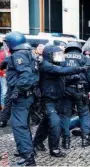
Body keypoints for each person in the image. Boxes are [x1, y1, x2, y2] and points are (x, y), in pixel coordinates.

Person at [33, 45, 88, 158]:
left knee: (46, 122)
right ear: (49, 55)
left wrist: (75, 77)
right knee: (55, 122)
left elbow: (63, 74)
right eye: (56, 55)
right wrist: (81, 68)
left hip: (57, 99)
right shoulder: (46, 65)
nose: (59, 57)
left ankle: (37, 142)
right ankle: (54, 149)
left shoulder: (55, 64)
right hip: (48, 100)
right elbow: (62, 71)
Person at [2, 32, 39, 165]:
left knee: (18, 126)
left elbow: (26, 75)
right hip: (28, 95)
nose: (5, 46)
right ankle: (29, 150)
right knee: (24, 124)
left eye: (7, 43)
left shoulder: (19, 54)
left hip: (22, 96)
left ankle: (28, 157)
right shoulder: (27, 52)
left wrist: (17, 91)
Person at [59, 42, 90, 149]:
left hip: (65, 90)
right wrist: (89, 89)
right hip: (80, 90)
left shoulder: (61, 57)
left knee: (65, 115)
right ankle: (85, 139)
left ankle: (66, 141)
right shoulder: (84, 58)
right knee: (84, 114)